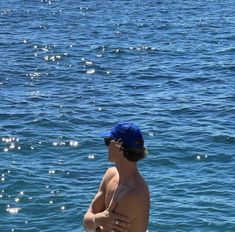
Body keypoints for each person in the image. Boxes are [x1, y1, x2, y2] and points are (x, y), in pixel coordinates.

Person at [83, 122, 150, 232]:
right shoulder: (110, 175)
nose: (106, 146)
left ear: (117, 146)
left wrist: (94, 220)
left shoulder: (132, 194)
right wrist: (97, 220)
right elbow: (86, 223)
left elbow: (88, 224)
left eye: (108, 141)